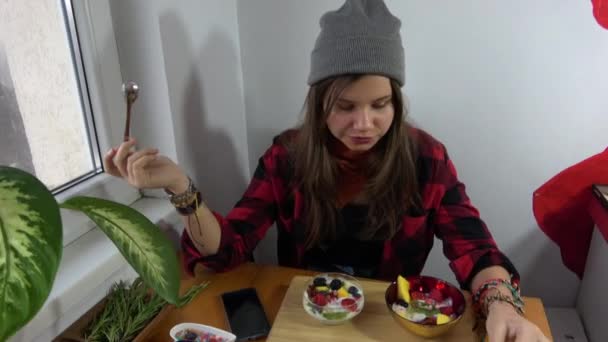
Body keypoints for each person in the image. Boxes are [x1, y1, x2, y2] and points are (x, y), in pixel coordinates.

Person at [104, 1, 549, 340]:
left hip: (388, 325)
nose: (364, 124)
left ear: (396, 101)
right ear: (320, 104)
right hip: (305, 319)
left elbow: (475, 249)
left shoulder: (426, 160)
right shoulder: (287, 158)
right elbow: (227, 250)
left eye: (380, 105)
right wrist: (181, 188)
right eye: (345, 107)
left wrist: (502, 306)